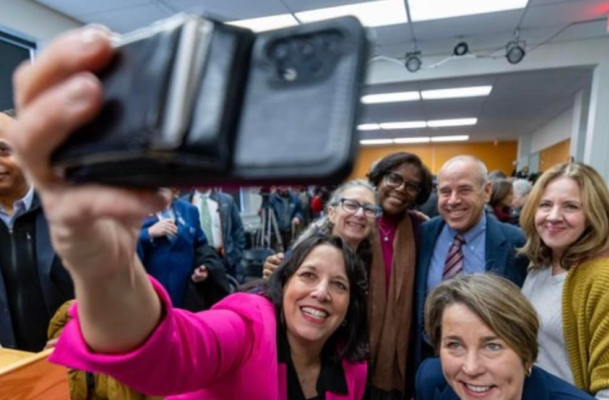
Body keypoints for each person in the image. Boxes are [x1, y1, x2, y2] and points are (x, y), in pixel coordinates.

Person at [6, 27, 368, 399]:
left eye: (339, 285)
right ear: (284, 283)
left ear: (352, 303)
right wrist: (106, 264)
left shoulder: (351, 367)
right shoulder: (246, 327)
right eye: (308, 275)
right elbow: (165, 353)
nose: (322, 292)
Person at [518, 162, 609, 398]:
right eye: (545, 205)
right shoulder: (541, 265)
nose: (554, 216)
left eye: (570, 206)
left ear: (593, 215)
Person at [414, 156, 528, 377]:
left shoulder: (516, 243)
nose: (453, 200)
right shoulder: (422, 234)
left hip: (488, 369)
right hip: (429, 362)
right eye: (445, 192)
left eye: (464, 190)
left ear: (486, 191)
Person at [415, 274, 594, 400]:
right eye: (455, 345)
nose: (471, 368)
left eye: (492, 346)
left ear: (527, 355)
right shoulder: (431, 382)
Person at [0, 109, 74, 352]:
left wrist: (79, 332)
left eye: (4, 150)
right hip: (10, 373)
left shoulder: (70, 210)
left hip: (72, 364)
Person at [366, 152, 433, 399]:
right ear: (379, 179)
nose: (401, 189)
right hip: (352, 341)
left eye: (412, 186)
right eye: (394, 178)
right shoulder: (354, 220)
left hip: (401, 347)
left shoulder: (422, 230)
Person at [263, 180, 379, 279]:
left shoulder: (374, 263)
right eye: (351, 205)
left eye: (369, 209)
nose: (360, 214)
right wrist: (273, 273)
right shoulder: (304, 253)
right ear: (332, 213)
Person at [138, 188, 229, 310]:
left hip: (186, 293)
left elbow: (201, 247)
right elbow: (121, 243)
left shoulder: (189, 210)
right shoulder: (136, 211)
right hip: (150, 292)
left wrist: (204, 267)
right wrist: (148, 233)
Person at [180, 187, 246, 278]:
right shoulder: (184, 203)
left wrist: (233, 258)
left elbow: (238, 231)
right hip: (195, 261)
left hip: (223, 260)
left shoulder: (227, 200)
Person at [268, 186, 305, 251]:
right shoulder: (272, 198)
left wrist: (297, 216)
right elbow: (267, 213)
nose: (283, 187)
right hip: (277, 232)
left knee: (290, 251)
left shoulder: (294, 197)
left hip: (290, 231)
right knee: (279, 254)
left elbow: (300, 210)